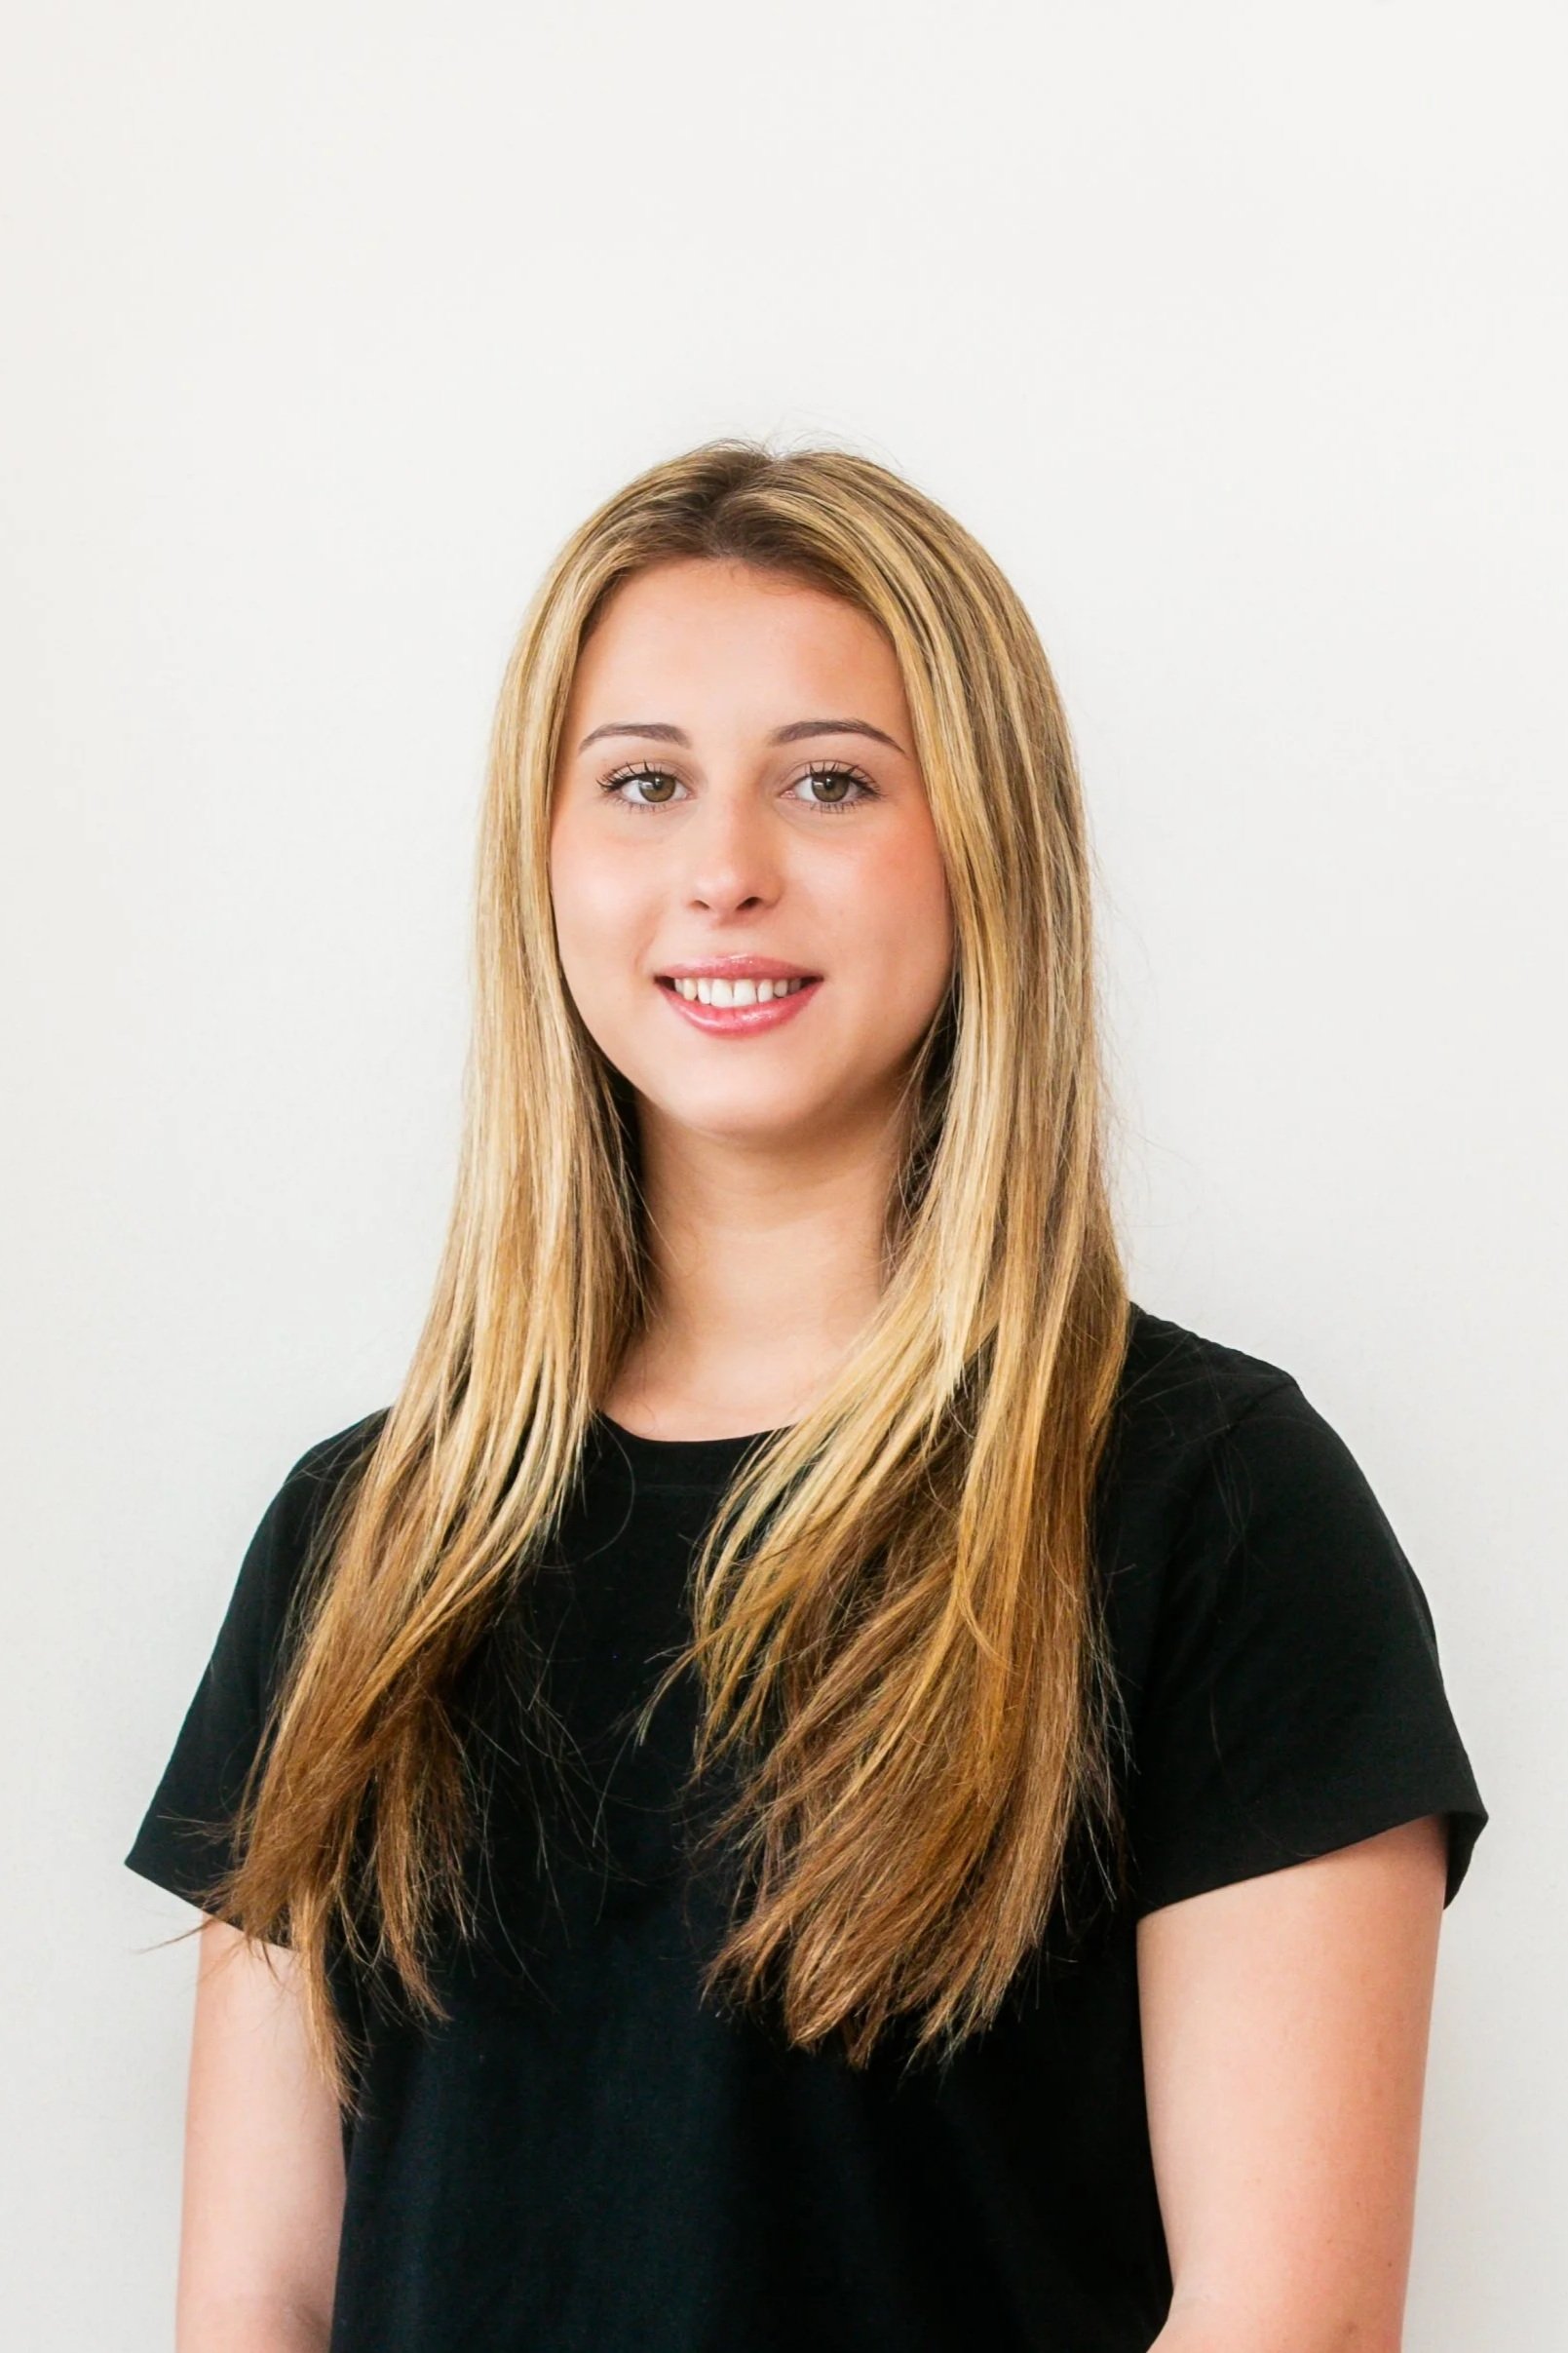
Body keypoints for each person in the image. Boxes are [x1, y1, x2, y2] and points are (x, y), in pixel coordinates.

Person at [125, 440, 1487, 2353]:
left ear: (984, 841)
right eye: (643, 782)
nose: (725, 869)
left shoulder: (1214, 1504)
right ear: (548, 856)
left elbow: (1286, 2324)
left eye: (830, 780)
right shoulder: (364, 1537)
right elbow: (257, 2294)